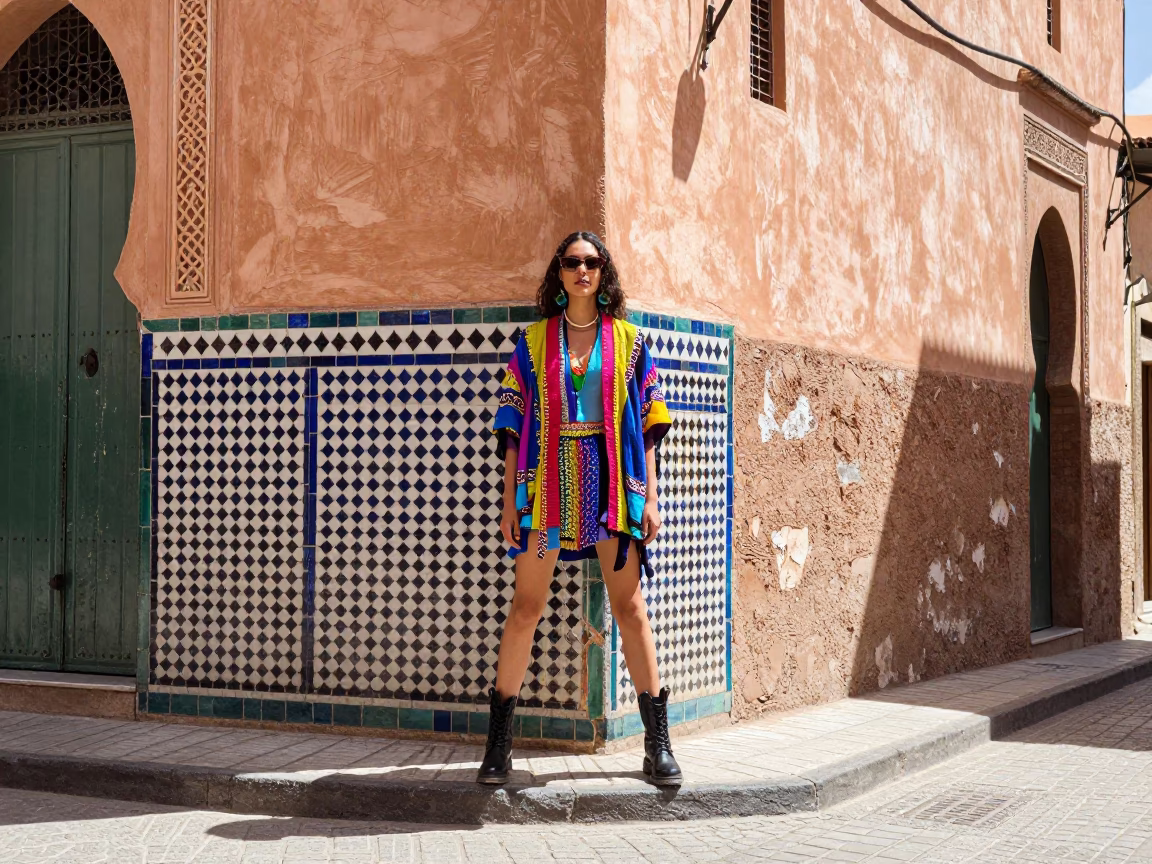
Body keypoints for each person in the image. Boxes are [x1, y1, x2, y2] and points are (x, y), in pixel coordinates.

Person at [478, 230, 682, 787]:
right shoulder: (533, 340)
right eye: (572, 262)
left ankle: (657, 742)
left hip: (612, 486)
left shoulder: (631, 341)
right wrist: (508, 500)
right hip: (544, 487)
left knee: (631, 608)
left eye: (592, 262)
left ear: (603, 272)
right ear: (560, 274)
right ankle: (499, 745)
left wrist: (652, 498)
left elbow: (649, 423)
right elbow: (512, 421)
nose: (582, 271)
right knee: (526, 605)